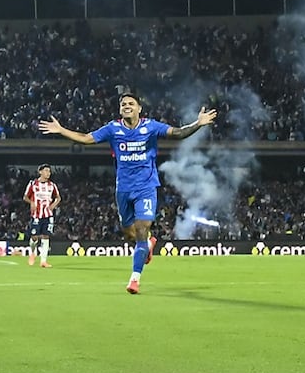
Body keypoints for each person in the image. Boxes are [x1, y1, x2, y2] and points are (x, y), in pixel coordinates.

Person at [39, 93, 216, 294]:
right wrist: (61, 130)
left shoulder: (150, 126)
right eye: (123, 104)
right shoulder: (113, 129)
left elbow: (177, 133)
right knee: (130, 234)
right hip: (123, 189)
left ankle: (134, 279)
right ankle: (147, 244)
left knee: (142, 228)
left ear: (139, 108)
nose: (126, 106)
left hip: (146, 187)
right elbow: (86, 138)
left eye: (131, 103)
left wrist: (198, 123)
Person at [23, 164, 61, 268]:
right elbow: (25, 197)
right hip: (36, 215)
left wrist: (53, 205)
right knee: (34, 237)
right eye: (46, 171)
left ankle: (43, 261)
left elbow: (58, 198)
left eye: (49, 171)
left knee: (46, 236)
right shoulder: (33, 184)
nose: (48, 173)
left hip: (48, 215)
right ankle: (33, 252)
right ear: (40, 172)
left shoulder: (52, 185)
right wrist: (31, 202)